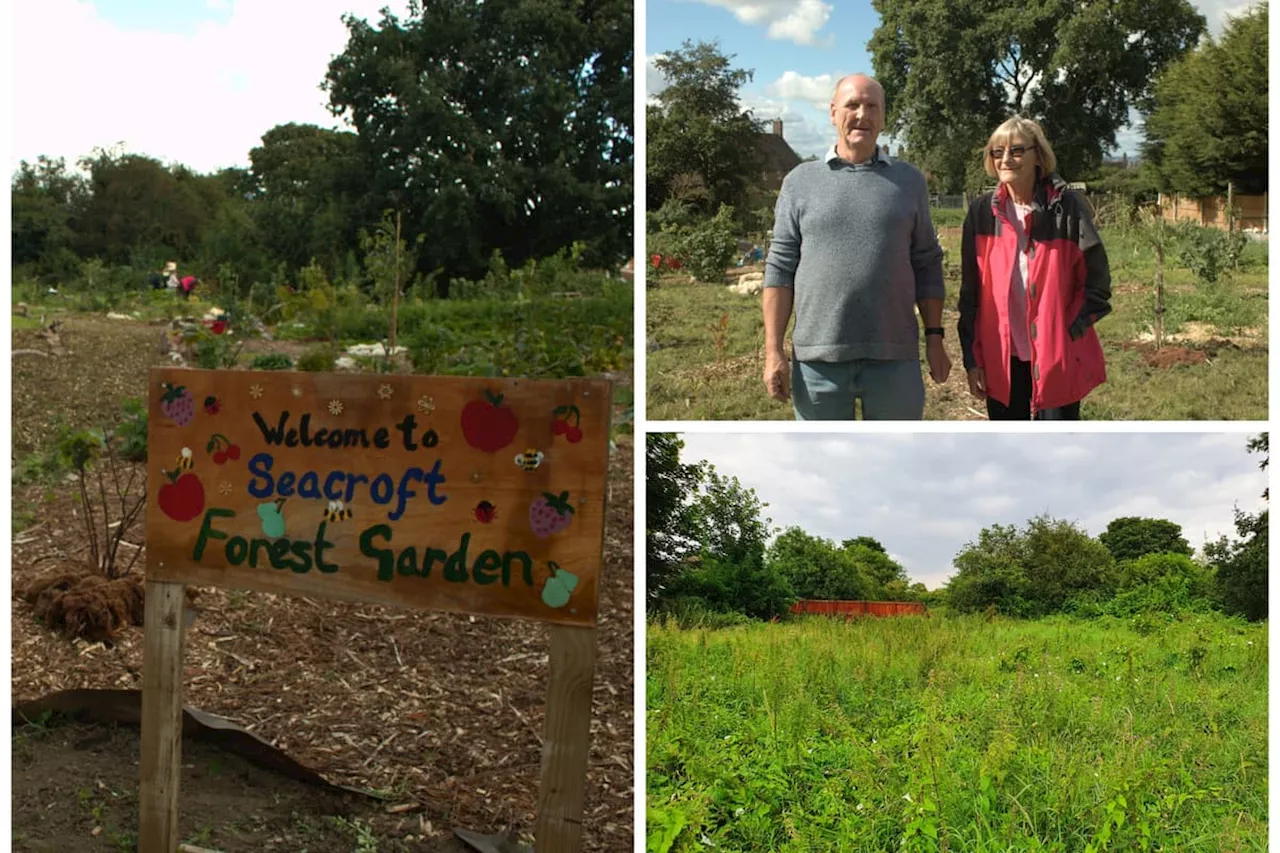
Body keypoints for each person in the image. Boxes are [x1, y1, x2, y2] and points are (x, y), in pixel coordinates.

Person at [762, 74, 949, 420]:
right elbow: (780, 268)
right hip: (818, 363)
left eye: (872, 106)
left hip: (895, 359)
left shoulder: (909, 181)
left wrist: (935, 337)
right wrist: (773, 350)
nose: (862, 114)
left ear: (883, 117)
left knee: (896, 460)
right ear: (833, 113)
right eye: (852, 105)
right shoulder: (800, 182)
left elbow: (926, 261)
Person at [957, 116, 1111, 420]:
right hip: (1002, 360)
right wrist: (971, 359)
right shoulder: (980, 213)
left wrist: (1068, 332)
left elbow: (1097, 283)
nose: (1005, 159)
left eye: (1015, 150)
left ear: (1038, 155)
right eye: (996, 152)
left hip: (1057, 358)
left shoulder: (1065, 208)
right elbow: (970, 294)